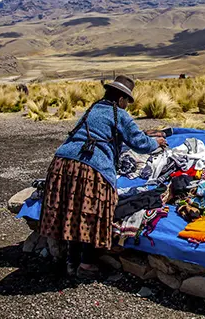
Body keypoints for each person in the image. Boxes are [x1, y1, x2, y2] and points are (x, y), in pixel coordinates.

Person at [38, 75, 167, 278]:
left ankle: (71, 262)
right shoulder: (119, 114)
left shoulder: (92, 109)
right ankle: (86, 265)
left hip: (62, 163)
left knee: (74, 211)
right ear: (122, 99)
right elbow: (139, 143)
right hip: (91, 168)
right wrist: (156, 143)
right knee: (91, 213)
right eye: (127, 102)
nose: (126, 106)